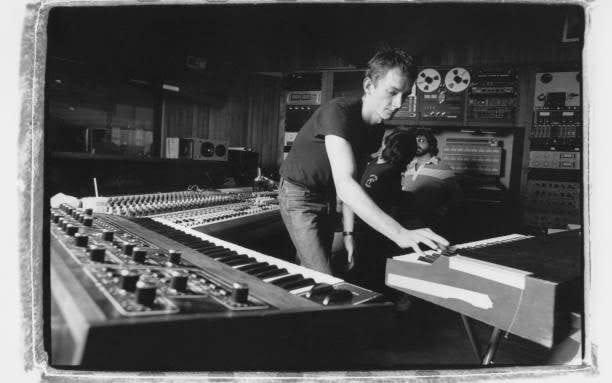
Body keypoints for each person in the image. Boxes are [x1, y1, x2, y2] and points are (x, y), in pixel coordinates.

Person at [278, 48, 449, 274]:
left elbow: (352, 183)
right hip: (299, 195)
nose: (399, 103)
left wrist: (348, 234)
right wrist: (399, 233)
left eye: (405, 95)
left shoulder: (376, 128)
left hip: (328, 197)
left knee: (312, 270)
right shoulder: (338, 111)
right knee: (322, 276)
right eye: (392, 92)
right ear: (369, 86)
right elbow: (345, 183)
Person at [342, 129, 417, 291]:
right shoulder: (392, 171)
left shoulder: (372, 163)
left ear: (385, 144)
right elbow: (390, 205)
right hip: (371, 231)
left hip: (355, 224)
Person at [401, 128, 464, 240]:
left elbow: (457, 197)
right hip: (407, 223)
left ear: (430, 144)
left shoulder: (443, 167)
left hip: (430, 225)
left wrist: (440, 211)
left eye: (421, 140)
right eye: (414, 141)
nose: (416, 144)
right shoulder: (407, 166)